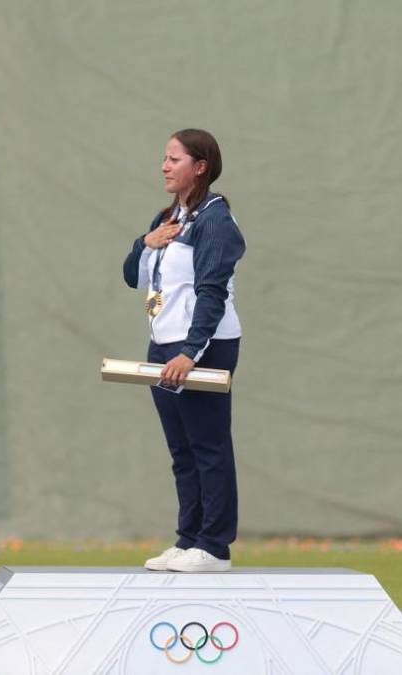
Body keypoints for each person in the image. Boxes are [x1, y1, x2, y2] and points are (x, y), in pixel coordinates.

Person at [123, 129, 246, 573]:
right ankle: (188, 537)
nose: (164, 166)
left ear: (201, 167)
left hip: (204, 347)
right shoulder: (168, 217)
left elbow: (211, 292)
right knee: (182, 450)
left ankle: (214, 546)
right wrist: (144, 242)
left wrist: (191, 352)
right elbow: (131, 275)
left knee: (208, 445)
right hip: (163, 344)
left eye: (174, 159)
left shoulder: (215, 221)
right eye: (164, 157)